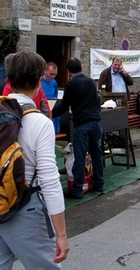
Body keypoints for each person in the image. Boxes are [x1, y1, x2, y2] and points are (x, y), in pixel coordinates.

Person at [0, 51, 69, 269]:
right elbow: (50, 182)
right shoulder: (39, 122)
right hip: (24, 210)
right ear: (38, 81)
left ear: (8, 79)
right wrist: (61, 234)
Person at [52, 58, 104, 199]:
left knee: (79, 157)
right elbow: (97, 101)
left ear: (68, 72)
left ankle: (77, 189)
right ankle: (99, 184)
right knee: (96, 154)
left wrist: (49, 113)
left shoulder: (71, 84)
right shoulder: (92, 82)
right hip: (96, 122)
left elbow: (63, 105)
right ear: (81, 67)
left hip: (82, 124)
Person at [3, 53, 51, 117]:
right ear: (39, 81)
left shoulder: (8, 88)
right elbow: (46, 109)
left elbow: (6, 109)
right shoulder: (39, 88)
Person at [42, 62, 60, 133]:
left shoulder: (54, 82)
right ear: (45, 71)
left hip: (51, 108)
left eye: (55, 74)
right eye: (51, 74)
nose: (52, 76)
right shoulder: (39, 81)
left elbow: (55, 95)